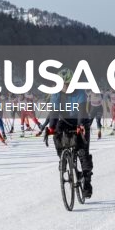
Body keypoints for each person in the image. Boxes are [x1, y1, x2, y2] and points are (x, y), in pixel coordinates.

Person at [46, 69, 93, 198]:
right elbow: (54, 112)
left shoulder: (80, 92)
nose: (65, 87)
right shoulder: (56, 93)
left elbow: (82, 111)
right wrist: (51, 127)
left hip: (80, 120)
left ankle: (87, 183)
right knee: (56, 132)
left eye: (67, 84)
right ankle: (63, 158)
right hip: (66, 120)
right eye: (62, 84)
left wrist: (80, 126)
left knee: (83, 152)